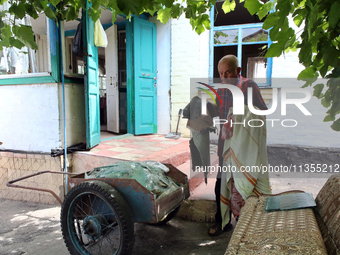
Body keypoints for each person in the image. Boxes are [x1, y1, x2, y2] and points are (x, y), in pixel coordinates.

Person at [208, 54, 268, 236]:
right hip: (226, 145)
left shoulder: (249, 86)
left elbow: (262, 112)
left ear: (238, 71)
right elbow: (220, 115)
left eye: (228, 73)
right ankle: (222, 221)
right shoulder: (221, 90)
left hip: (244, 146)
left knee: (244, 184)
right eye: (221, 74)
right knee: (221, 183)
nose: (225, 78)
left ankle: (245, 224)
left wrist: (241, 117)